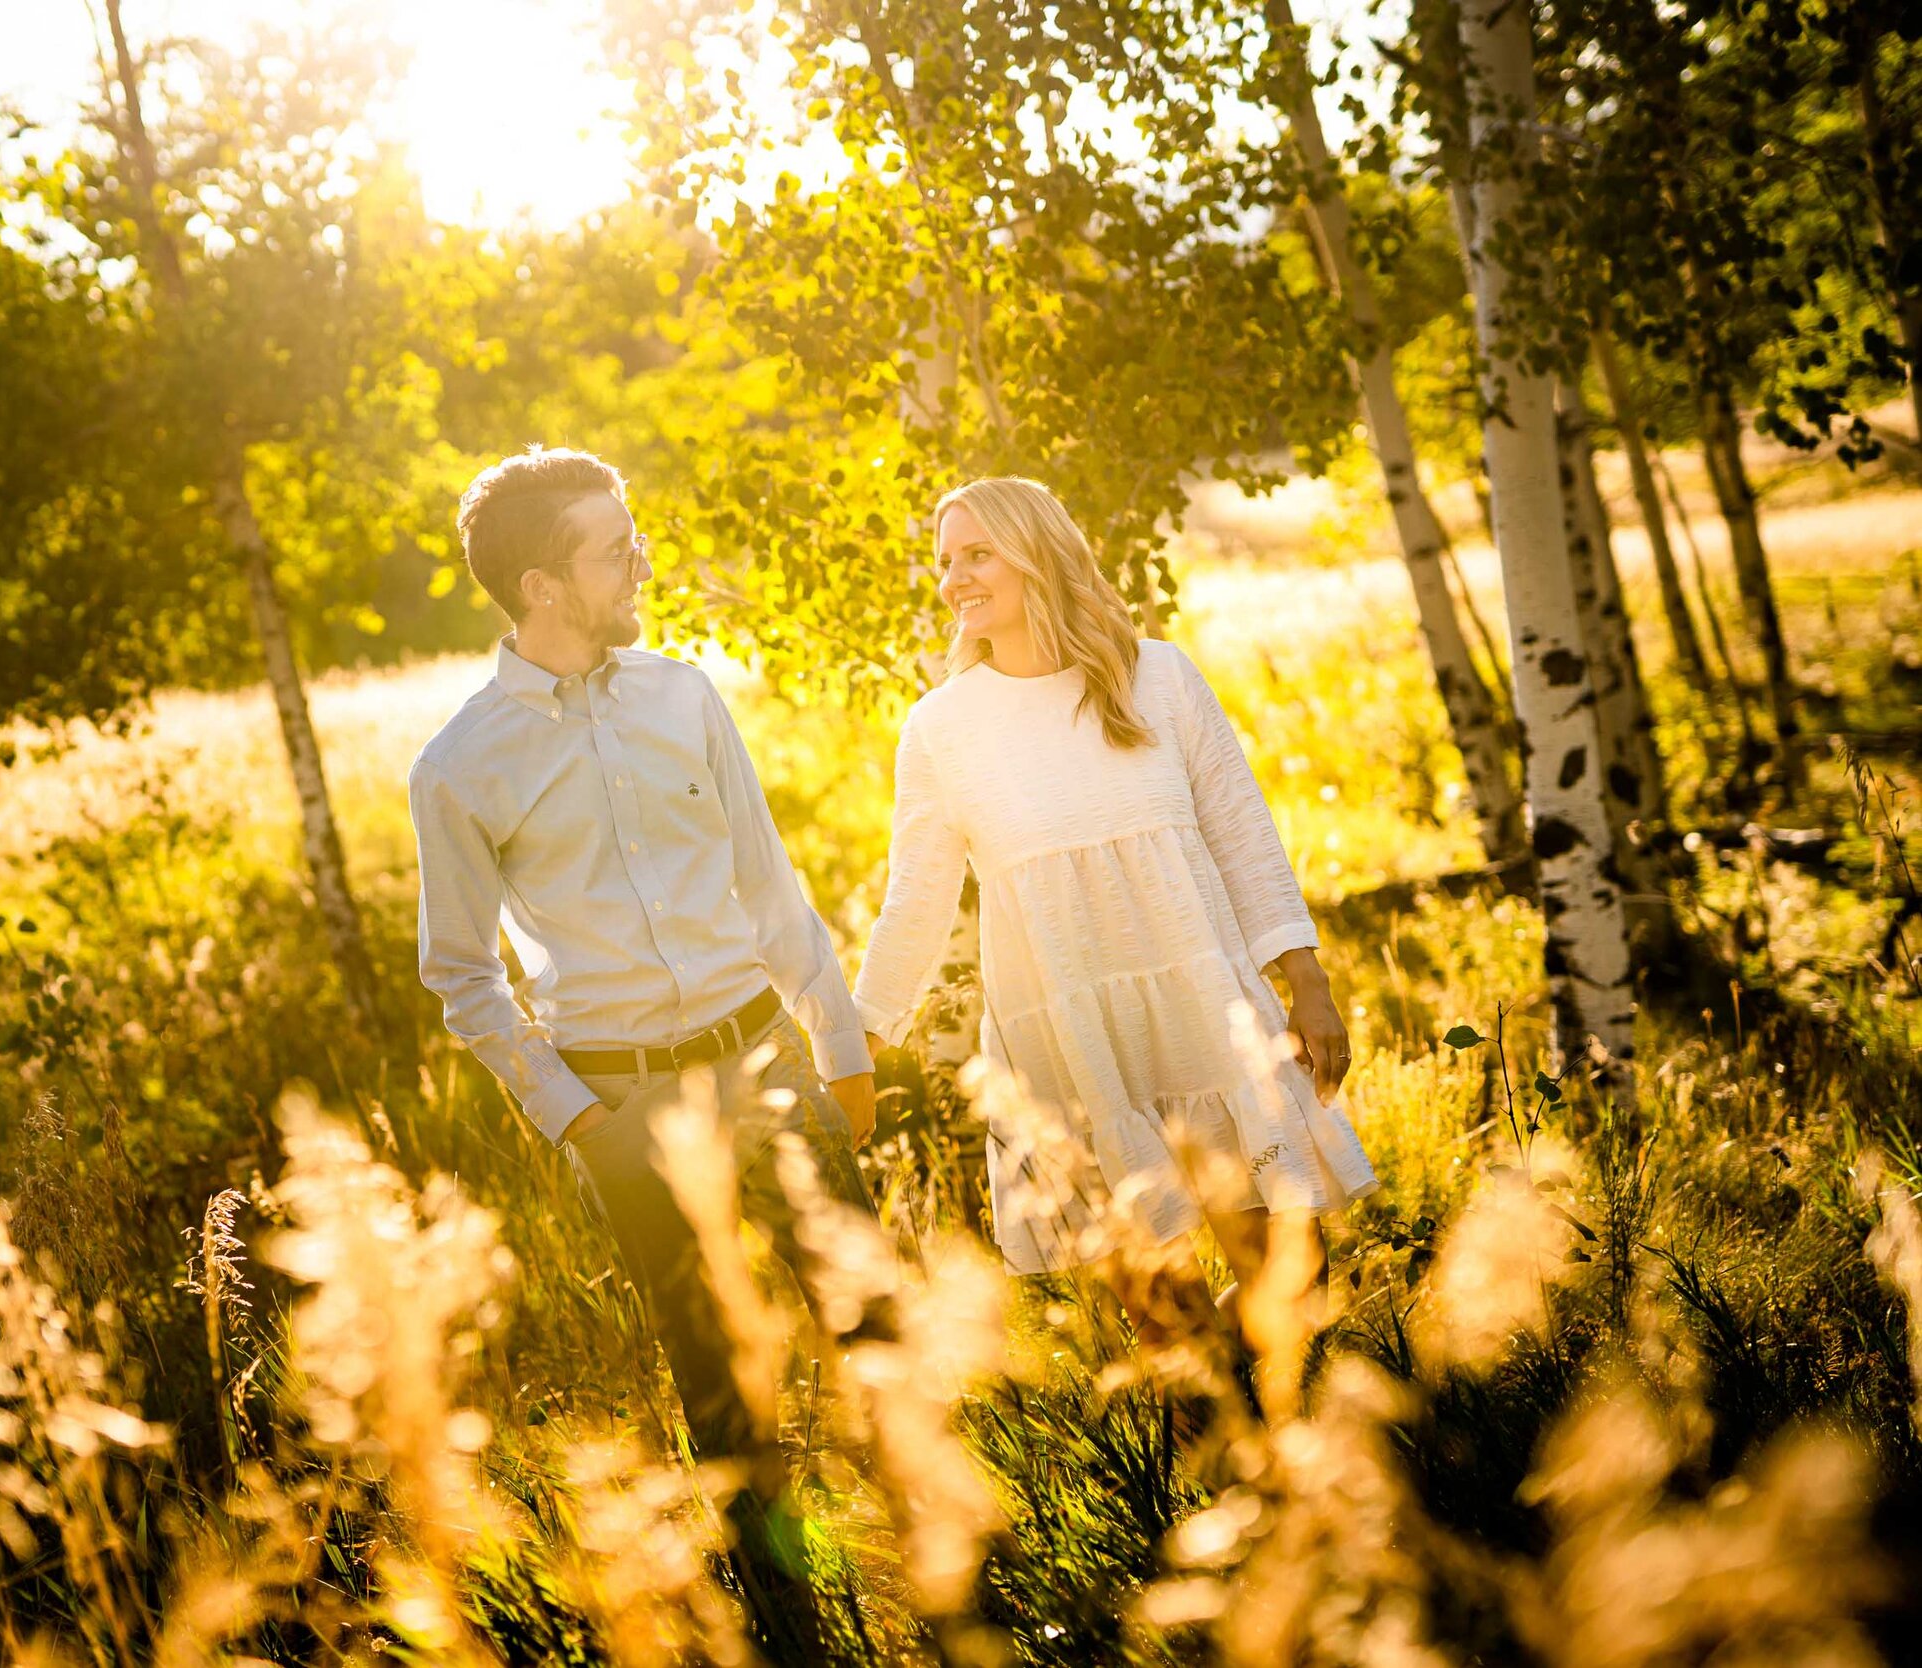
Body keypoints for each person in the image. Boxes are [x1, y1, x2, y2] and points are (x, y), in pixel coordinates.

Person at [407, 446, 880, 1664]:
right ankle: (797, 1633)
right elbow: (462, 971)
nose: (642, 562)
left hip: (770, 1065)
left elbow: (768, 886)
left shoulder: (684, 696)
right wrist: (574, 1120)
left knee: (879, 1320)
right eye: (615, 548)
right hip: (623, 1105)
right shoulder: (459, 767)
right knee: (720, 1386)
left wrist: (839, 1048)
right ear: (540, 585)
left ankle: (953, 1573)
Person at [852, 476, 1377, 1340]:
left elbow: (1244, 834)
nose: (955, 580)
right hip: (1074, 1048)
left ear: (1039, 552)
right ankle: (1240, 1458)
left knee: (1299, 1273)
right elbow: (915, 899)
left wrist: (1306, 980)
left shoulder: (1160, 678)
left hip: (1211, 1018)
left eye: (978, 553)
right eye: (946, 562)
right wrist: (857, 1044)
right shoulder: (942, 729)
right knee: (1172, 1333)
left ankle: (1260, 1419)